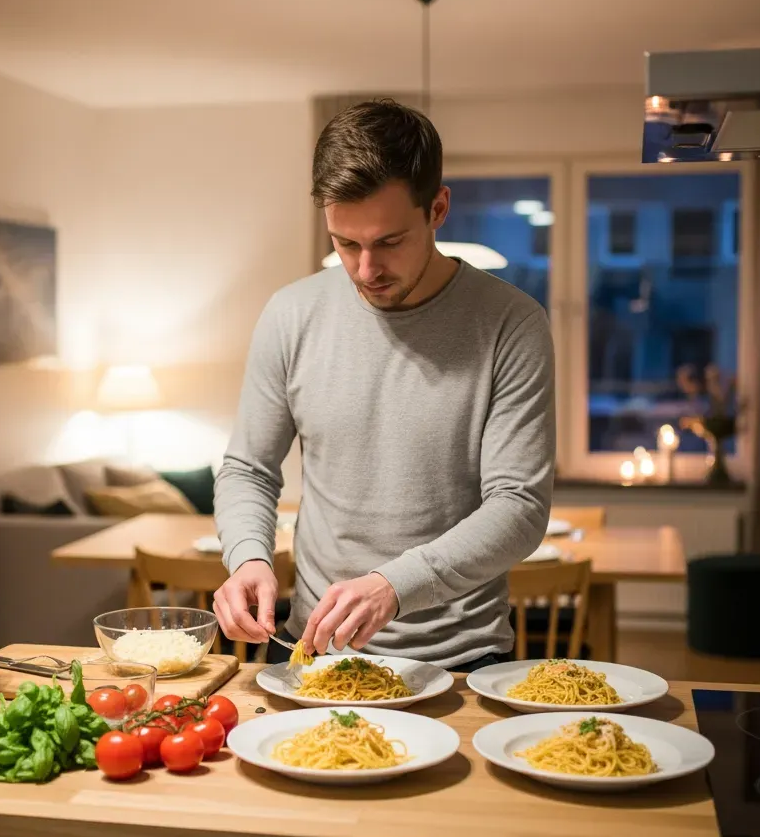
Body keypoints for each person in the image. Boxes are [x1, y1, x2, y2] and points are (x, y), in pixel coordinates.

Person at [212, 99, 555, 672]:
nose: (365, 268)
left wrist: (392, 585)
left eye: (389, 242)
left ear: (438, 208)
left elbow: (519, 507)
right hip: (311, 653)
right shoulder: (290, 314)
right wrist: (248, 557)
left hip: (462, 661)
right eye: (346, 243)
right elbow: (248, 468)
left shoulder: (511, 323)